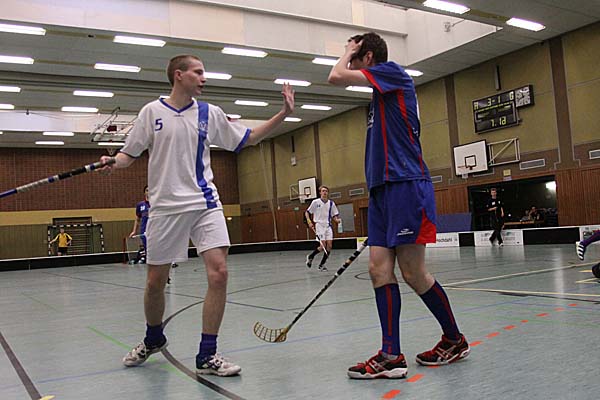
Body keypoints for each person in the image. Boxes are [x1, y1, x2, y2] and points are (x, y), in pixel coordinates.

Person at [100, 54, 295, 377]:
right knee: (155, 283)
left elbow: (247, 138)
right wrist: (112, 163)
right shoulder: (151, 112)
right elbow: (128, 154)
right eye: (198, 72)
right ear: (179, 75)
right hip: (165, 208)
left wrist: (284, 113)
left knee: (219, 273)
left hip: (205, 203)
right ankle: (153, 337)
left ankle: (207, 354)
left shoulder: (209, 113)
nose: (204, 78)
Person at [328, 32, 469, 379]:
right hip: (381, 191)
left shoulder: (393, 73)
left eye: (356, 56)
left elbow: (335, 76)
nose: (351, 61)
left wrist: (347, 51)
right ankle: (391, 355)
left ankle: (454, 339)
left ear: (368, 57)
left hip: (405, 184)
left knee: (413, 272)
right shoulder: (378, 95)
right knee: (378, 270)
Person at [129, 185, 178, 278]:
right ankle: (153, 272)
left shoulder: (157, 204)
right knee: (149, 252)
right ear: (144, 192)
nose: (148, 192)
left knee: (160, 250)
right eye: (147, 190)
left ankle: (166, 269)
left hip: (156, 231)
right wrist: (134, 231)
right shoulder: (140, 205)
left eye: (150, 190)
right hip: (144, 233)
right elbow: (137, 219)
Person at [304, 185, 342, 271]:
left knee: (329, 246)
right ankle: (311, 256)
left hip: (328, 226)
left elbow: (334, 215)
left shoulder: (331, 203)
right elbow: (307, 212)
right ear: (320, 193)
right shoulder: (315, 202)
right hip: (319, 225)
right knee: (322, 246)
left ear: (328, 193)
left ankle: (322, 264)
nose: (325, 192)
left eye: (326, 191)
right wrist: (309, 221)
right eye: (323, 191)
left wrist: (337, 220)